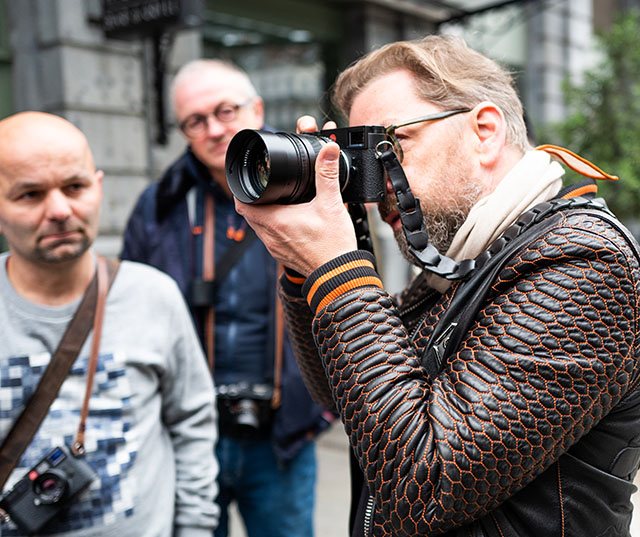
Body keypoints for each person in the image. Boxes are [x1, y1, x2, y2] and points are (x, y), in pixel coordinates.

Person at [235, 35, 640, 537]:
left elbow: (427, 485)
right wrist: (304, 271)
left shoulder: (584, 262)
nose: (374, 180)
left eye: (391, 146)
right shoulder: (462, 264)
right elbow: (341, 395)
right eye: (361, 155)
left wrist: (338, 272)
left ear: (485, 130)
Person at [121, 59, 329, 537]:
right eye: (196, 121)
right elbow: (133, 313)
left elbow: (355, 288)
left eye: (225, 111)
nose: (214, 129)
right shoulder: (160, 204)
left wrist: (323, 406)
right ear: (183, 130)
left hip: (284, 436)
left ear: (256, 108)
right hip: (191, 436)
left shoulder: (311, 187)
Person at [0, 111, 219, 537]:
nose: (60, 210)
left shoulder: (153, 295)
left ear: (98, 188)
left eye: (74, 187)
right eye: (30, 194)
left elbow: (192, 424)